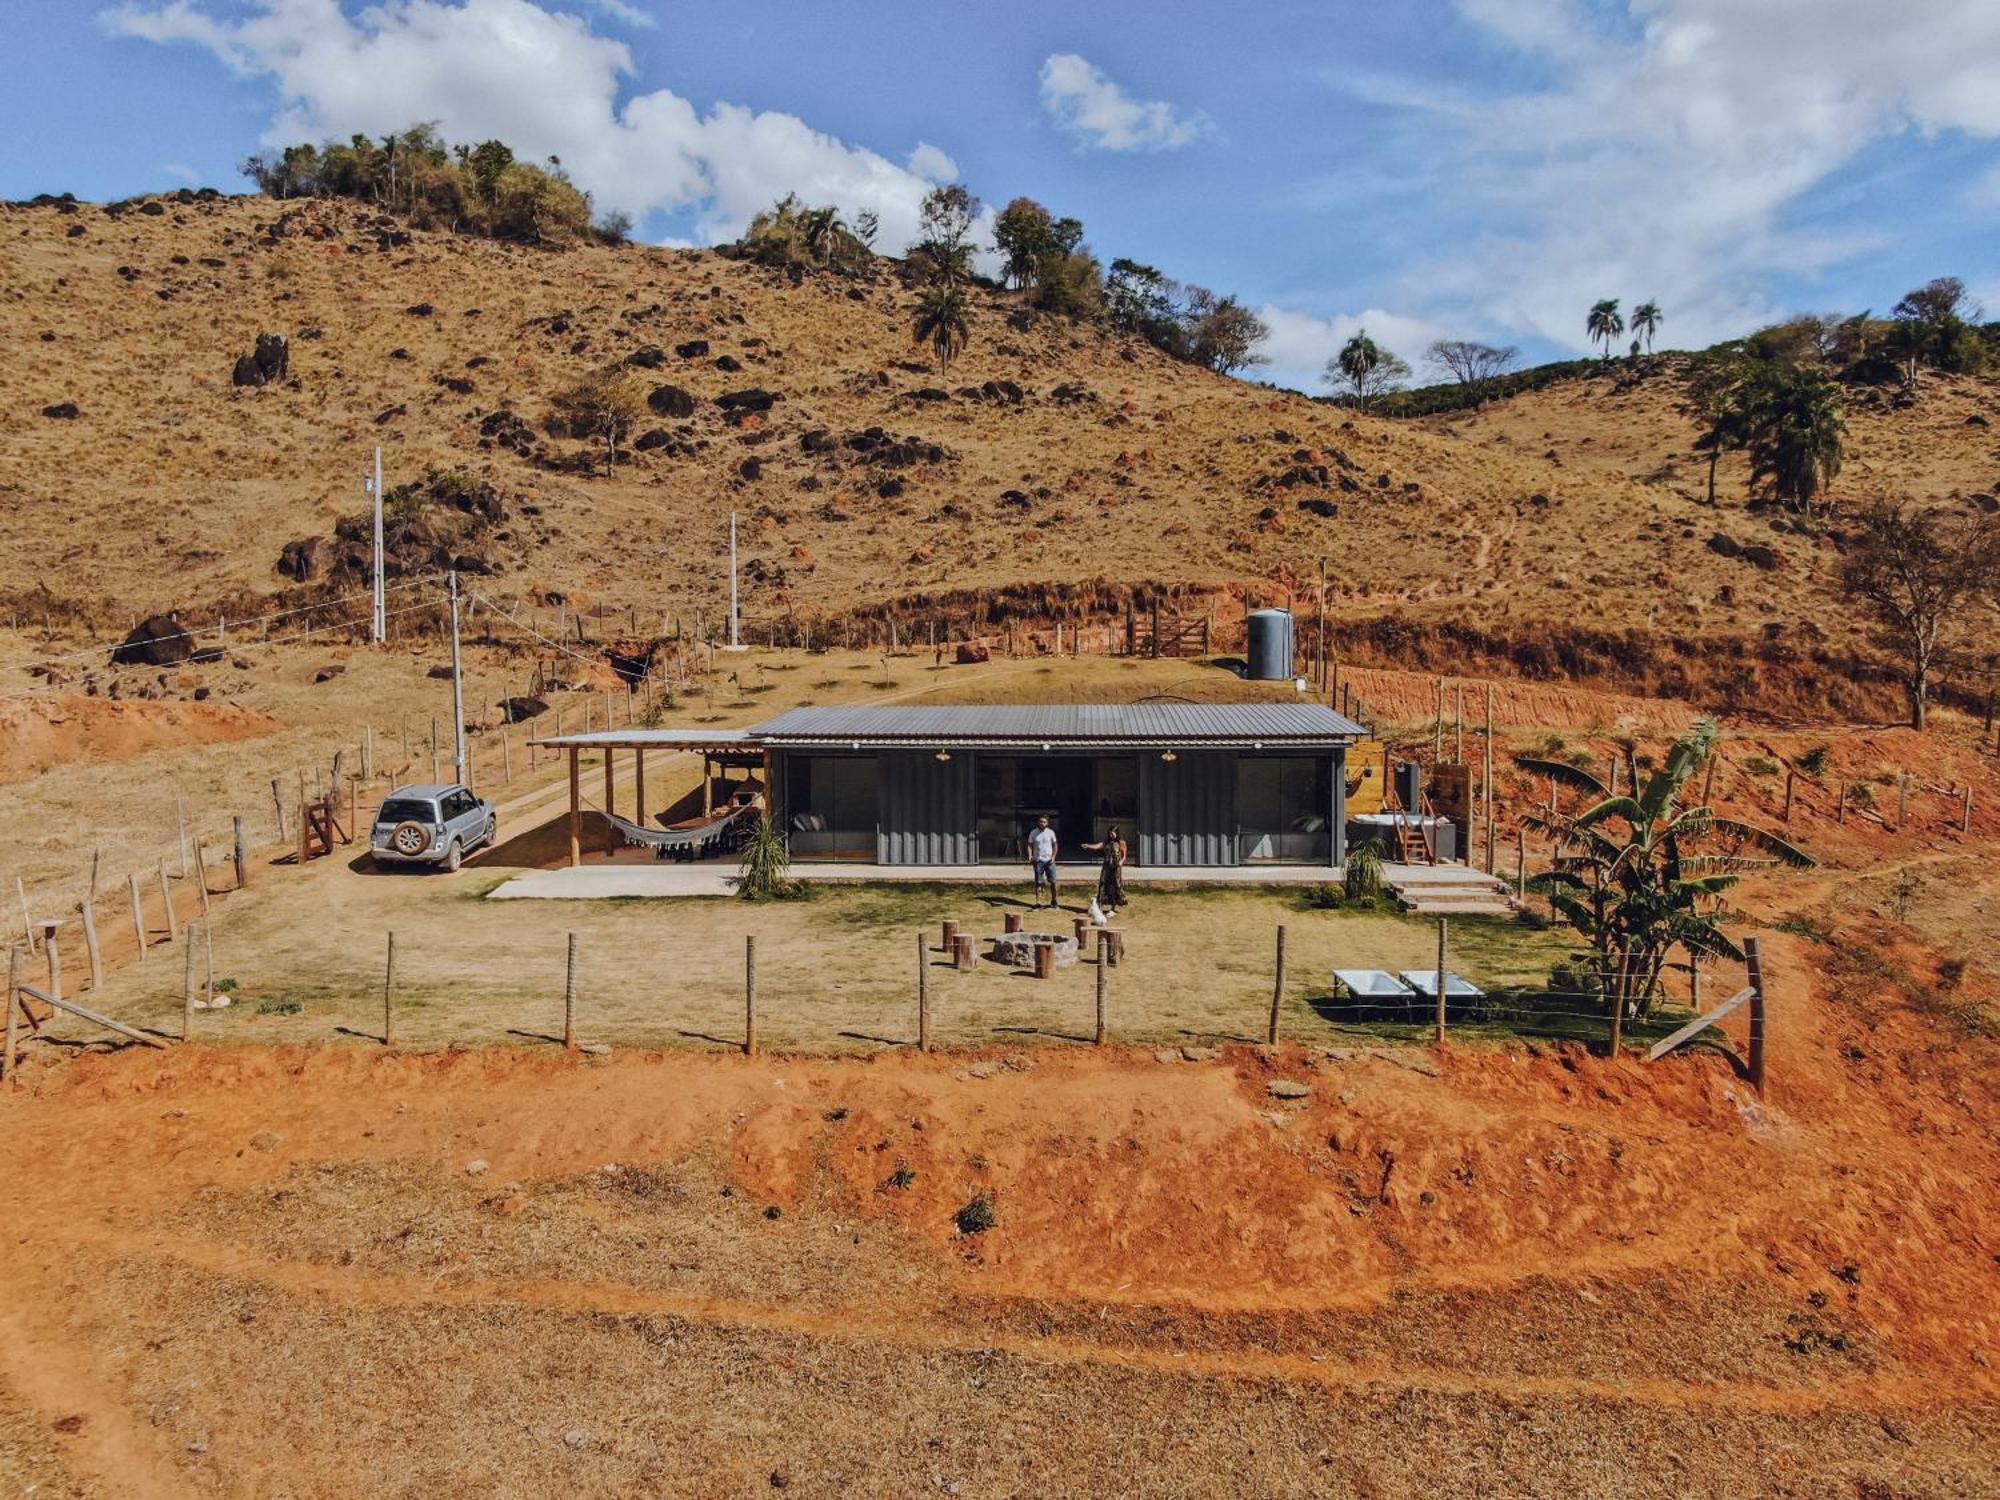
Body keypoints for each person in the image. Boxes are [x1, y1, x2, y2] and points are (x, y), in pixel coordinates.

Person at [1082, 826, 1128, 915]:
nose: (1111, 835)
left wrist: (1121, 862)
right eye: (1110, 833)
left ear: (1117, 833)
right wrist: (1088, 846)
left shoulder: (1121, 843)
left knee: (1115, 886)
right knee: (1103, 884)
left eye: (1113, 833)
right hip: (1107, 866)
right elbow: (1098, 846)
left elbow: (1124, 855)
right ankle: (1099, 906)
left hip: (1116, 867)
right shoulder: (1106, 842)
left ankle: (1113, 907)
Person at [1027, 815, 1059, 909]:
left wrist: (1053, 857)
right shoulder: (1033, 832)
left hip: (1049, 861)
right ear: (1038, 822)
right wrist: (1030, 855)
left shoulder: (1051, 832)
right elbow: (1029, 844)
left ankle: (1054, 901)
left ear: (1047, 823)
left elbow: (1055, 845)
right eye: (1041, 821)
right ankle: (1038, 902)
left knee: (1053, 881)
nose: (1042, 823)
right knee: (1038, 882)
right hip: (1038, 861)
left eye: (1044, 822)